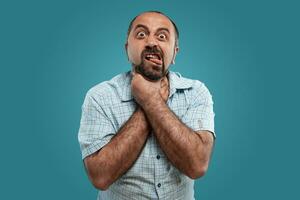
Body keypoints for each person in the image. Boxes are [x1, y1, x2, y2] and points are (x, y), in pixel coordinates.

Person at [78, 10, 216, 200]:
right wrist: (149, 101)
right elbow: (100, 177)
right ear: (127, 49)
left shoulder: (196, 92)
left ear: (174, 52)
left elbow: (197, 165)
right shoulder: (99, 96)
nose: (151, 42)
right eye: (141, 34)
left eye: (162, 36)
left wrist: (151, 101)